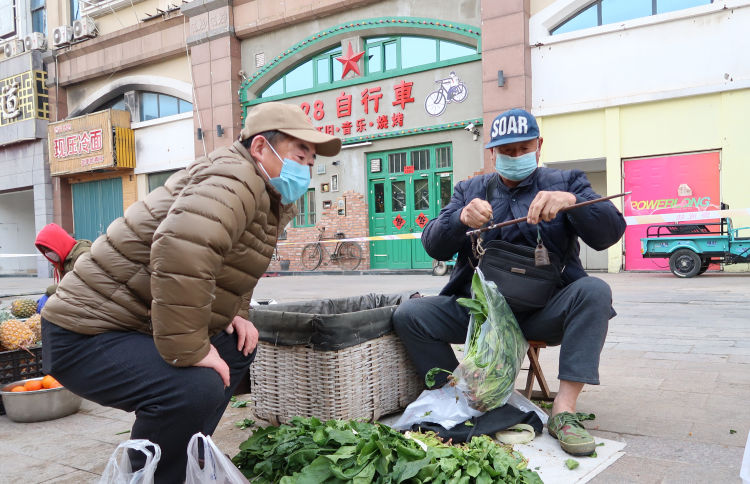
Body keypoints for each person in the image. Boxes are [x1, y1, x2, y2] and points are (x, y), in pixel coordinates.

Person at [40, 102, 341, 482]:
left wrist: (235, 314)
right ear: (262, 147)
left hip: (131, 322)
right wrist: (192, 350)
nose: (307, 169)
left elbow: (226, 265)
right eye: (301, 155)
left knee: (236, 346)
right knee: (195, 386)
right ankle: (154, 474)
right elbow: (179, 249)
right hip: (84, 332)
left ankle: (185, 455)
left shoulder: (262, 191)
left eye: (312, 161)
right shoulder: (234, 179)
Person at [393, 108, 626, 457]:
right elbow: (432, 244)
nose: (515, 157)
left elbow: (609, 233)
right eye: (506, 151)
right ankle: (460, 395)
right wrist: (459, 219)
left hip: (544, 311)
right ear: (492, 153)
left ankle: (563, 412)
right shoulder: (469, 189)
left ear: (539, 145)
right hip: (480, 314)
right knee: (410, 314)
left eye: (523, 148)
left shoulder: (567, 182)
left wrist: (573, 203)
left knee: (594, 291)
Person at [33, 223, 92, 311]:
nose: (47, 253)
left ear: (57, 243)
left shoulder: (82, 255)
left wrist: (50, 292)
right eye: (44, 250)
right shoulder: (64, 261)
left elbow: (78, 284)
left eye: (48, 249)